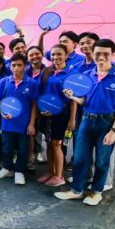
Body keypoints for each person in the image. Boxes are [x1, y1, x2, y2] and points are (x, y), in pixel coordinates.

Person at [56, 39, 115, 206]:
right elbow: (84, 101)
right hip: (86, 121)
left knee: (102, 161)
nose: (101, 57)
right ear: (93, 53)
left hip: (107, 123)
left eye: (106, 54)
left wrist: (114, 130)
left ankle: (96, 192)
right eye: (98, 53)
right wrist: (72, 96)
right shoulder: (88, 75)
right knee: (81, 159)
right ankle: (76, 190)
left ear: (113, 54)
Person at [0, 54, 39, 185]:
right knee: (7, 147)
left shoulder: (32, 83)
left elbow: (34, 105)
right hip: (7, 122)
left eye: (19, 65)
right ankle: (6, 168)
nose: (16, 68)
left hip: (24, 124)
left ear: (25, 66)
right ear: (9, 66)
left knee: (23, 149)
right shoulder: (4, 82)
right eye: (13, 65)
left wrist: (32, 124)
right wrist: (2, 113)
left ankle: (19, 172)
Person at [36, 45, 76, 187]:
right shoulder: (46, 71)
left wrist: (72, 119)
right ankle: (50, 172)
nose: (56, 57)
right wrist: (41, 110)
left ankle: (59, 176)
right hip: (46, 113)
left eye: (59, 54)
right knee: (49, 143)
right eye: (53, 54)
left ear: (66, 56)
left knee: (57, 144)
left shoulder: (71, 73)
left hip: (62, 114)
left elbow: (73, 99)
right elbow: (39, 93)